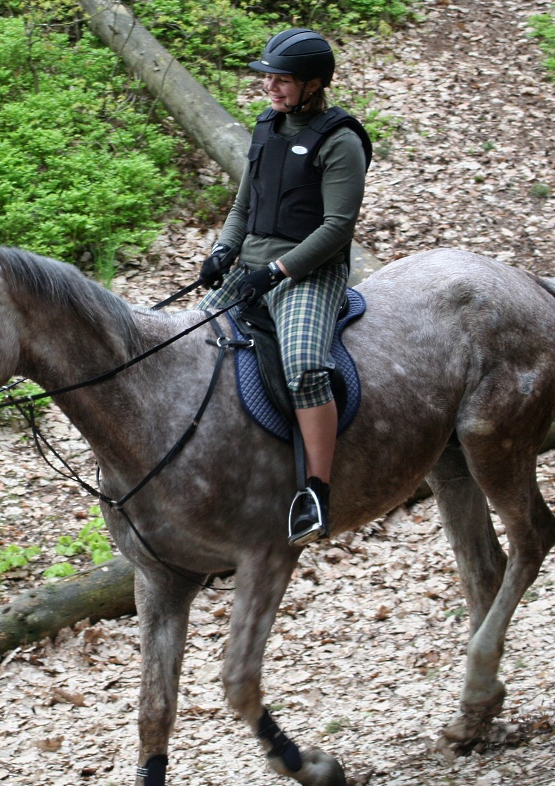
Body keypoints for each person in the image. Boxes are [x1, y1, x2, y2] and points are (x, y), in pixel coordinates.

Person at [198, 27, 371, 544]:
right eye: (268, 77)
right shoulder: (266, 128)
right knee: (188, 341)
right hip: (250, 262)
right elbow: (243, 206)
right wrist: (223, 251)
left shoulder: (340, 141)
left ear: (314, 83)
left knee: (303, 366)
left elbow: (337, 228)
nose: (271, 87)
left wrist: (277, 272)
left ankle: (316, 490)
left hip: (309, 275)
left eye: (282, 79)